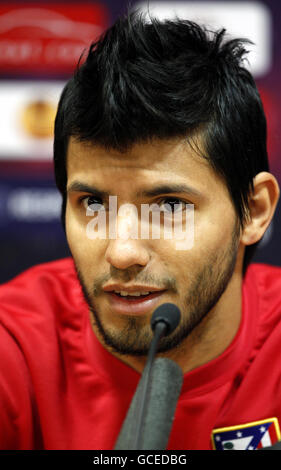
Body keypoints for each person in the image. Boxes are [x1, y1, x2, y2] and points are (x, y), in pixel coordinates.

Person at [0, 10, 280, 451]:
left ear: (254, 211)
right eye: (93, 203)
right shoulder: (14, 347)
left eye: (169, 206)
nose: (123, 252)